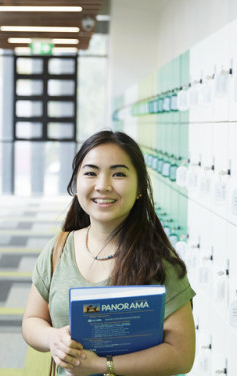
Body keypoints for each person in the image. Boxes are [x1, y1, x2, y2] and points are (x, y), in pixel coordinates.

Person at [22, 130, 196, 376]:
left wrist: (101, 366)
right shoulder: (59, 248)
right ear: (76, 183)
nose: (103, 185)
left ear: (139, 188)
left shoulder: (157, 262)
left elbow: (181, 355)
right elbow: (31, 321)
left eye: (119, 174)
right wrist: (53, 338)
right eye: (91, 173)